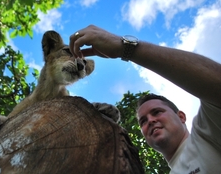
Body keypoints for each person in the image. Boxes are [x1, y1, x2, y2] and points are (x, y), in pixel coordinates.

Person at [69, 25, 221, 174]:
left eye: (157, 112)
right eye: (143, 121)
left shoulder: (208, 134)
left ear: (181, 116)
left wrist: (125, 48)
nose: (150, 121)